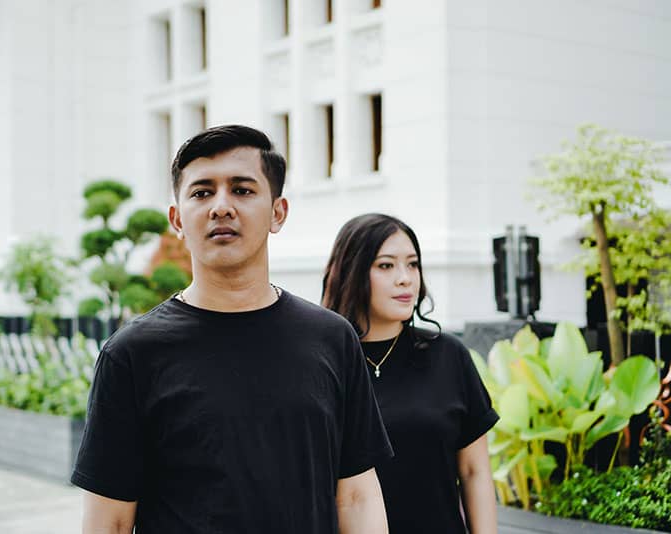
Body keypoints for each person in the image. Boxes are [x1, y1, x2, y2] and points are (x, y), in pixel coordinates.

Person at [72, 125, 393, 533]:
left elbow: (356, 496)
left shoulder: (331, 339)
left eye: (242, 190)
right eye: (202, 192)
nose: (221, 207)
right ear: (177, 219)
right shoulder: (132, 354)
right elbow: (111, 521)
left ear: (278, 213)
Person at [322, 213, 499, 534]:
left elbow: (475, 471)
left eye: (413, 264)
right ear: (352, 271)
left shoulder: (448, 355)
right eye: (386, 265)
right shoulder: (325, 363)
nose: (405, 279)